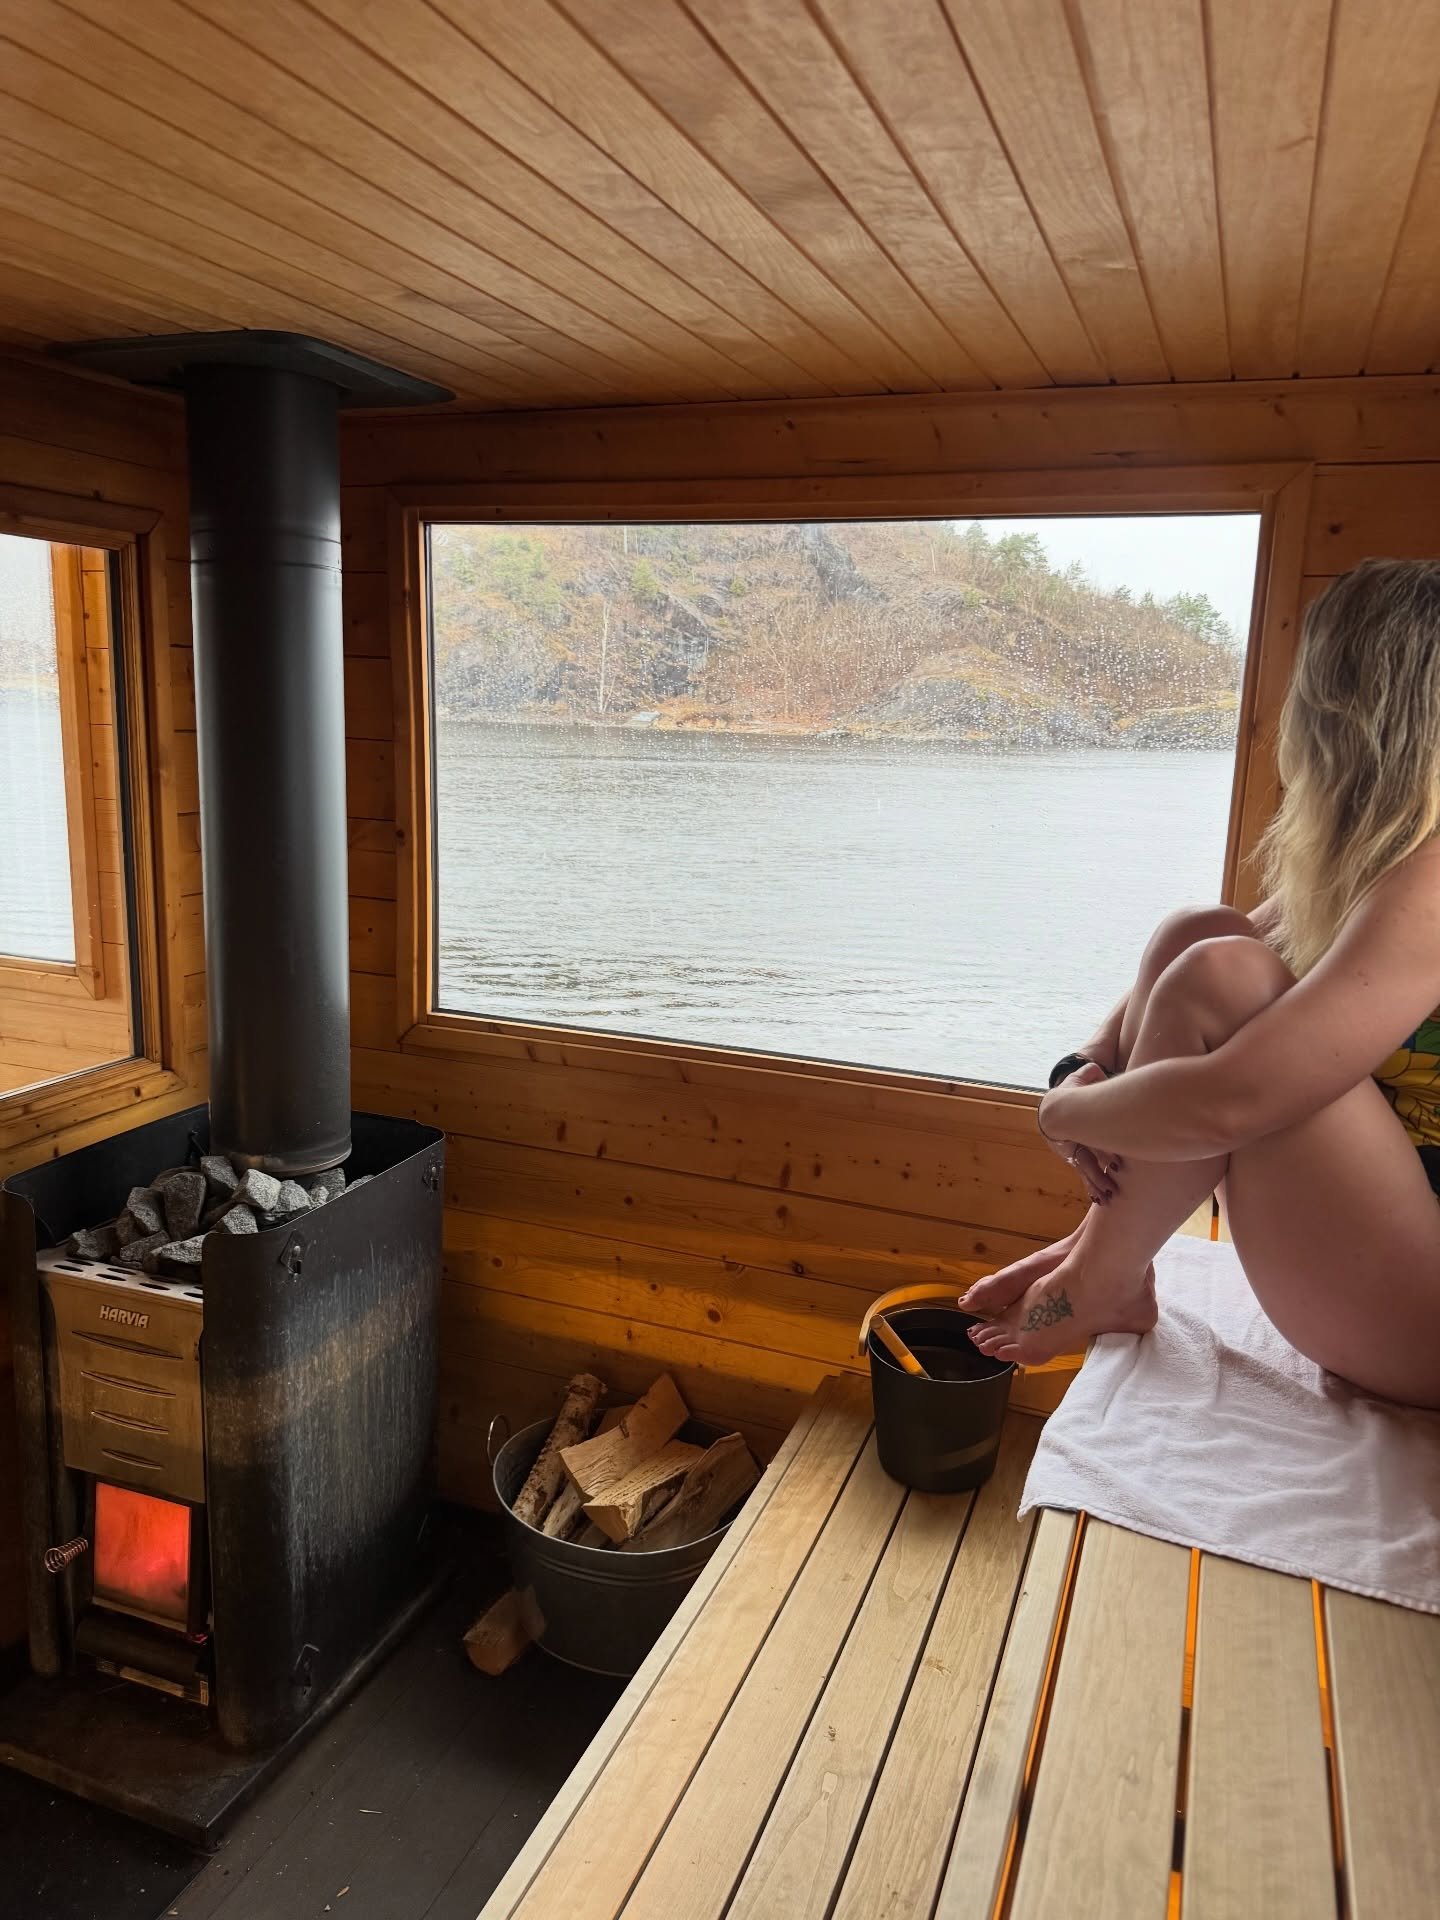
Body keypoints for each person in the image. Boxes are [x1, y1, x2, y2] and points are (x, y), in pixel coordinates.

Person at [960, 558, 1440, 1409]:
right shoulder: (1393, 849)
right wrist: (1079, 1064)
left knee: (1224, 978)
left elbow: (1231, 1098)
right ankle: (1104, 1264)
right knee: (1201, 932)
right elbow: (1216, 947)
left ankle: (1103, 1276)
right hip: (1405, 1269)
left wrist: (1058, 1114)